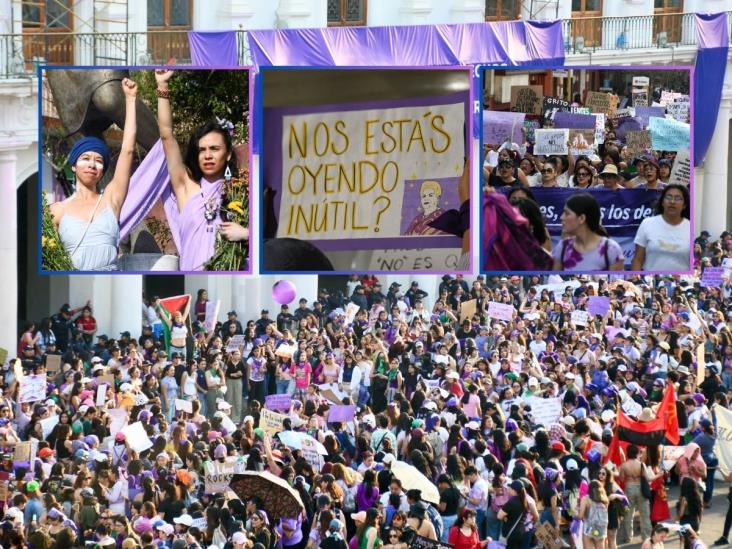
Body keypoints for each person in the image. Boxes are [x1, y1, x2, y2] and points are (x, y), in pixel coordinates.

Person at [154, 69, 249, 271]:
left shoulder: (241, 192)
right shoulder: (185, 187)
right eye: (202, 150)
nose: (207, 155)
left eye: (214, 149)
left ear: (228, 154)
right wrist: (162, 86)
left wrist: (246, 234)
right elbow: (166, 135)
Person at [50, 78, 138, 271]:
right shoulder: (56, 211)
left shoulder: (111, 200)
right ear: (73, 166)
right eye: (86, 158)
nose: (92, 164)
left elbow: (128, 150)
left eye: (98, 161)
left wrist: (130, 100)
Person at [553, 193, 624, 271]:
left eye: (567, 213)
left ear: (582, 218)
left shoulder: (611, 249)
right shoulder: (563, 246)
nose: (561, 217)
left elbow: (617, 282)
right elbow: (554, 279)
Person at [631, 184, 691, 271]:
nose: (672, 202)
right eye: (669, 197)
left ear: (684, 205)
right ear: (662, 202)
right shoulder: (647, 223)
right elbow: (638, 259)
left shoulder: (690, 228)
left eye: (678, 198)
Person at [579, 480, 609, 549]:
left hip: (589, 529)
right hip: (601, 529)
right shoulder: (605, 500)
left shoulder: (586, 499)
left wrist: (575, 514)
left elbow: (580, 516)